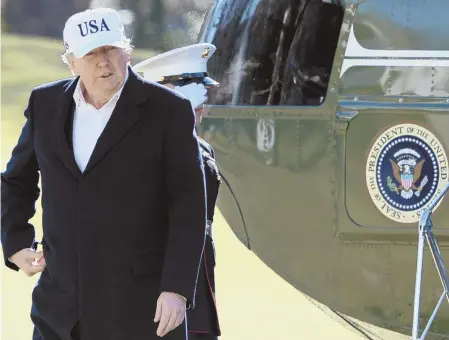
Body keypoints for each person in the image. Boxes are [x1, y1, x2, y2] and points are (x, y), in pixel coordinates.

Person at [1, 8, 207, 340]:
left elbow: (189, 205)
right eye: (91, 53)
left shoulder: (169, 111)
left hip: (142, 312)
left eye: (110, 49)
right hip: (59, 311)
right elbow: (15, 181)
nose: (103, 61)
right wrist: (14, 242)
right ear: (70, 62)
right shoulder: (45, 103)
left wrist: (177, 288)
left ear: (126, 51)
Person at [134, 43, 222, 340]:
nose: (202, 102)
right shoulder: (141, 147)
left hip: (197, 281)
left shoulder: (201, 146)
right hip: (160, 288)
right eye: (191, 90)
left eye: (203, 90)